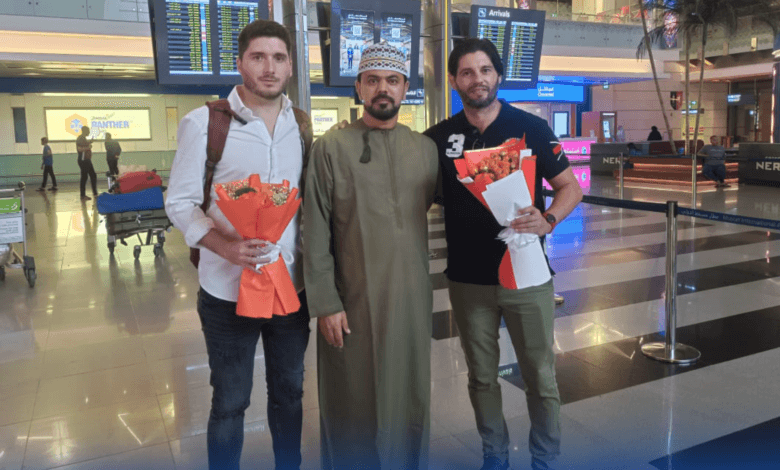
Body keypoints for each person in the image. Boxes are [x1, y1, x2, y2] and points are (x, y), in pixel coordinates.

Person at [424, 38, 583, 470]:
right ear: (454, 80)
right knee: (481, 377)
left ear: (498, 75)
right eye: (467, 72)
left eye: (485, 70)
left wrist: (548, 219)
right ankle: (494, 456)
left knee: (540, 377)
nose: (477, 79)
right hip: (467, 279)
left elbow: (571, 188)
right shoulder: (438, 138)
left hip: (526, 274)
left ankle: (545, 460)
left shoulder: (531, 128)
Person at [165, 19, 311, 470]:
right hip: (226, 291)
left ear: (290, 67)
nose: (269, 68)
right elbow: (179, 201)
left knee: (290, 393)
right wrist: (223, 246)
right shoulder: (206, 123)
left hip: (289, 289)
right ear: (240, 63)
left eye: (279, 58)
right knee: (230, 401)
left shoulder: (301, 125)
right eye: (258, 57)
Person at [303, 42, 439, 470]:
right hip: (353, 299)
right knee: (353, 395)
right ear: (359, 87)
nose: (384, 88)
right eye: (373, 80)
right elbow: (314, 228)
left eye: (393, 80)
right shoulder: (331, 147)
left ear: (406, 88)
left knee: (409, 391)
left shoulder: (425, 149)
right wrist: (326, 303)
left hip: (410, 298)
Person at [76, 126, 98, 201]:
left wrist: (90, 142)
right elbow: (80, 149)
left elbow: (84, 144)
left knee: (90, 176)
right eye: (88, 131)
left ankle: (92, 193)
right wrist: (89, 147)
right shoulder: (80, 138)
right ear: (84, 131)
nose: (89, 132)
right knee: (87, 176)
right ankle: (86, 194)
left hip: (86, 160)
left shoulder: (83, 138)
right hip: (84, 160)